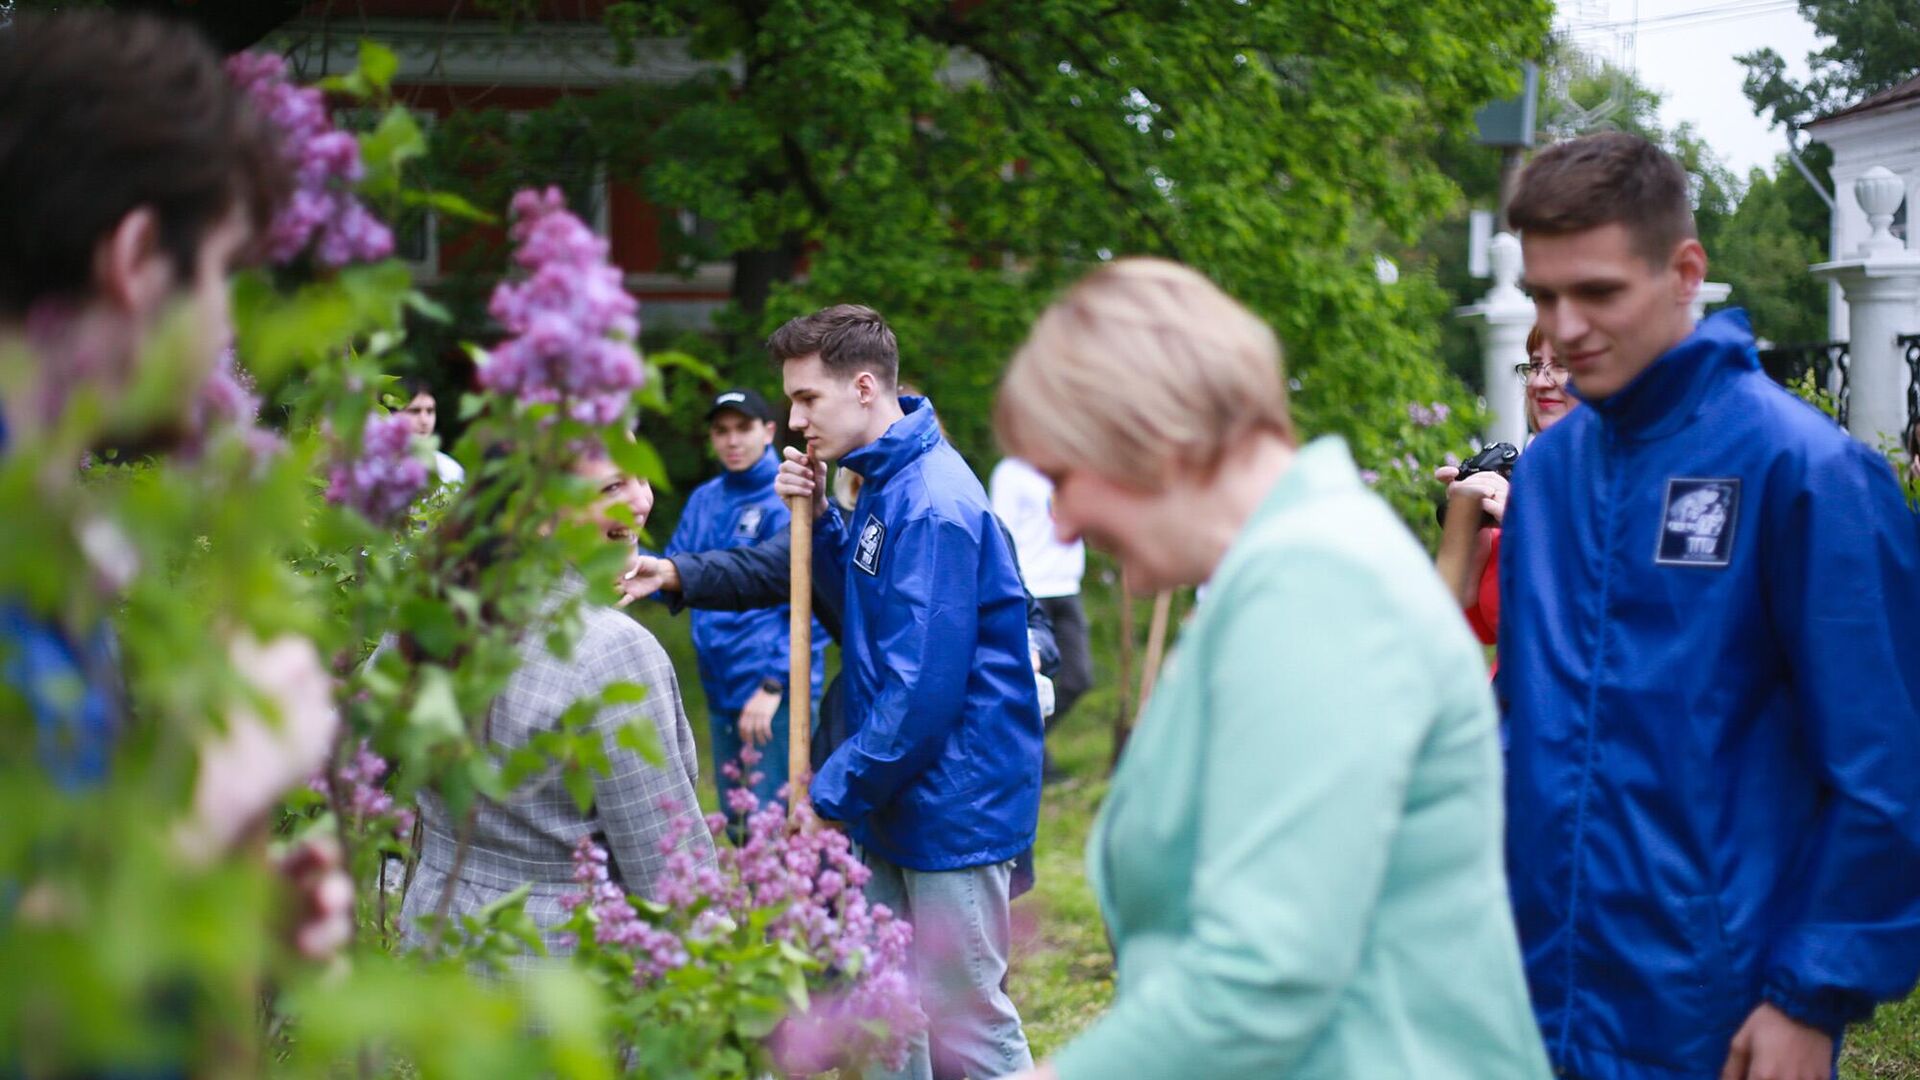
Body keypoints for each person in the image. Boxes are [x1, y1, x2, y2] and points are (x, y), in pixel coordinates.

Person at [994, 258, 1551, 1080]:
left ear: (1162, 436)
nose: (1063, 524)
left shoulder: (1319, 588)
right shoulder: (1280, 575)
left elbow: (1267, 972)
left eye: (1063, 479)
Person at [1499, 132, 1920, 1080]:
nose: (1563, 329)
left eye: (1598, 292)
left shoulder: (1807, 472)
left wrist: (1809, 996)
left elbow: (1887, 768)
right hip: (1536, 990)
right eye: (1542, 297)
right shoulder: (1549, 478)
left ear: (1685, 271)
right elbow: (1522, 724)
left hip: (1720, 1011)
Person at [0, 4, 348, 936]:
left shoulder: (45, 524)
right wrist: (207, 800)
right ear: (140, 260)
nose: (225, 326)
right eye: (223, 272)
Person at [768, 304, 1041, 1080]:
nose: (792, 421)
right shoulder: (884, 483)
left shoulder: (931, 503)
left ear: (862, 387)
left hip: (952, 806)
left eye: (806, 399)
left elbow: (921, 693)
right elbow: (863, 608)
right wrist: (819, 521)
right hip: (897, 795)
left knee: (965, 1018)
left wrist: (829, 792)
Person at [399, 448, 714, 962]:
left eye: (642, 477)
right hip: (559, 971)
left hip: (435, 944)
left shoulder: (436, 608)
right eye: (611, 487)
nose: (641, 501)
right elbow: (670, 877)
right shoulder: (611, 651)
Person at [661, 386, 825, 830]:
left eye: (743, 428)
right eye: (721, 431)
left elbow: (814, 601)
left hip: (771, 691)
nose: (732, 440)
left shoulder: (788, 494)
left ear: (769, 430)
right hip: (720, 683)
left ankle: (798, 901)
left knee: (773, 823)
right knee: (737, 822)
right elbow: (672, 575)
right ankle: (757, 901)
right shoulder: (704, 500)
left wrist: (774, 685)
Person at [1432, 325, 1579, 648]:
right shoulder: (1530, 482)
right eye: (1535, 365)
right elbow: (1481, 630)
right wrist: (1470, 541)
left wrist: (1528, 527)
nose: (1540, 382)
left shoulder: (1639, 485)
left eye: (1561, 364)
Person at [990, 456, 1092, 782]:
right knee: (1027, 683)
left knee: (1078, 679)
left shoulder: (1069, 465)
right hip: (1033, 590)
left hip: (1067, 586)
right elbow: (999, 537)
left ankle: (1023, 745)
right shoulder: (1010, 473)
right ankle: (1034, 761)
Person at [397, 374, 465, 486]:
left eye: (430, 411)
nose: (424, 421)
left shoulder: (450, 470)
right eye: (415, 411)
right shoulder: (380, 468)